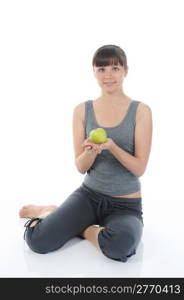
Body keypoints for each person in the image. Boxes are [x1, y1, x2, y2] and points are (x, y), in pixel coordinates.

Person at [19, 44, 152, 262]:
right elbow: (81, 167)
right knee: (38, 241)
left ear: (125, 71)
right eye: (101, 69)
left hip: (125, 205)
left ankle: (82, 228)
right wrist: (91, 151)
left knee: (120, 246)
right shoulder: (82, 110)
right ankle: (52, 211)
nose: (108, 75)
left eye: (115, 68)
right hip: (88, 197)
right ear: (94, 72)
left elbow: (139, 168)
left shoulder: (141, 111)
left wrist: (113, 147)